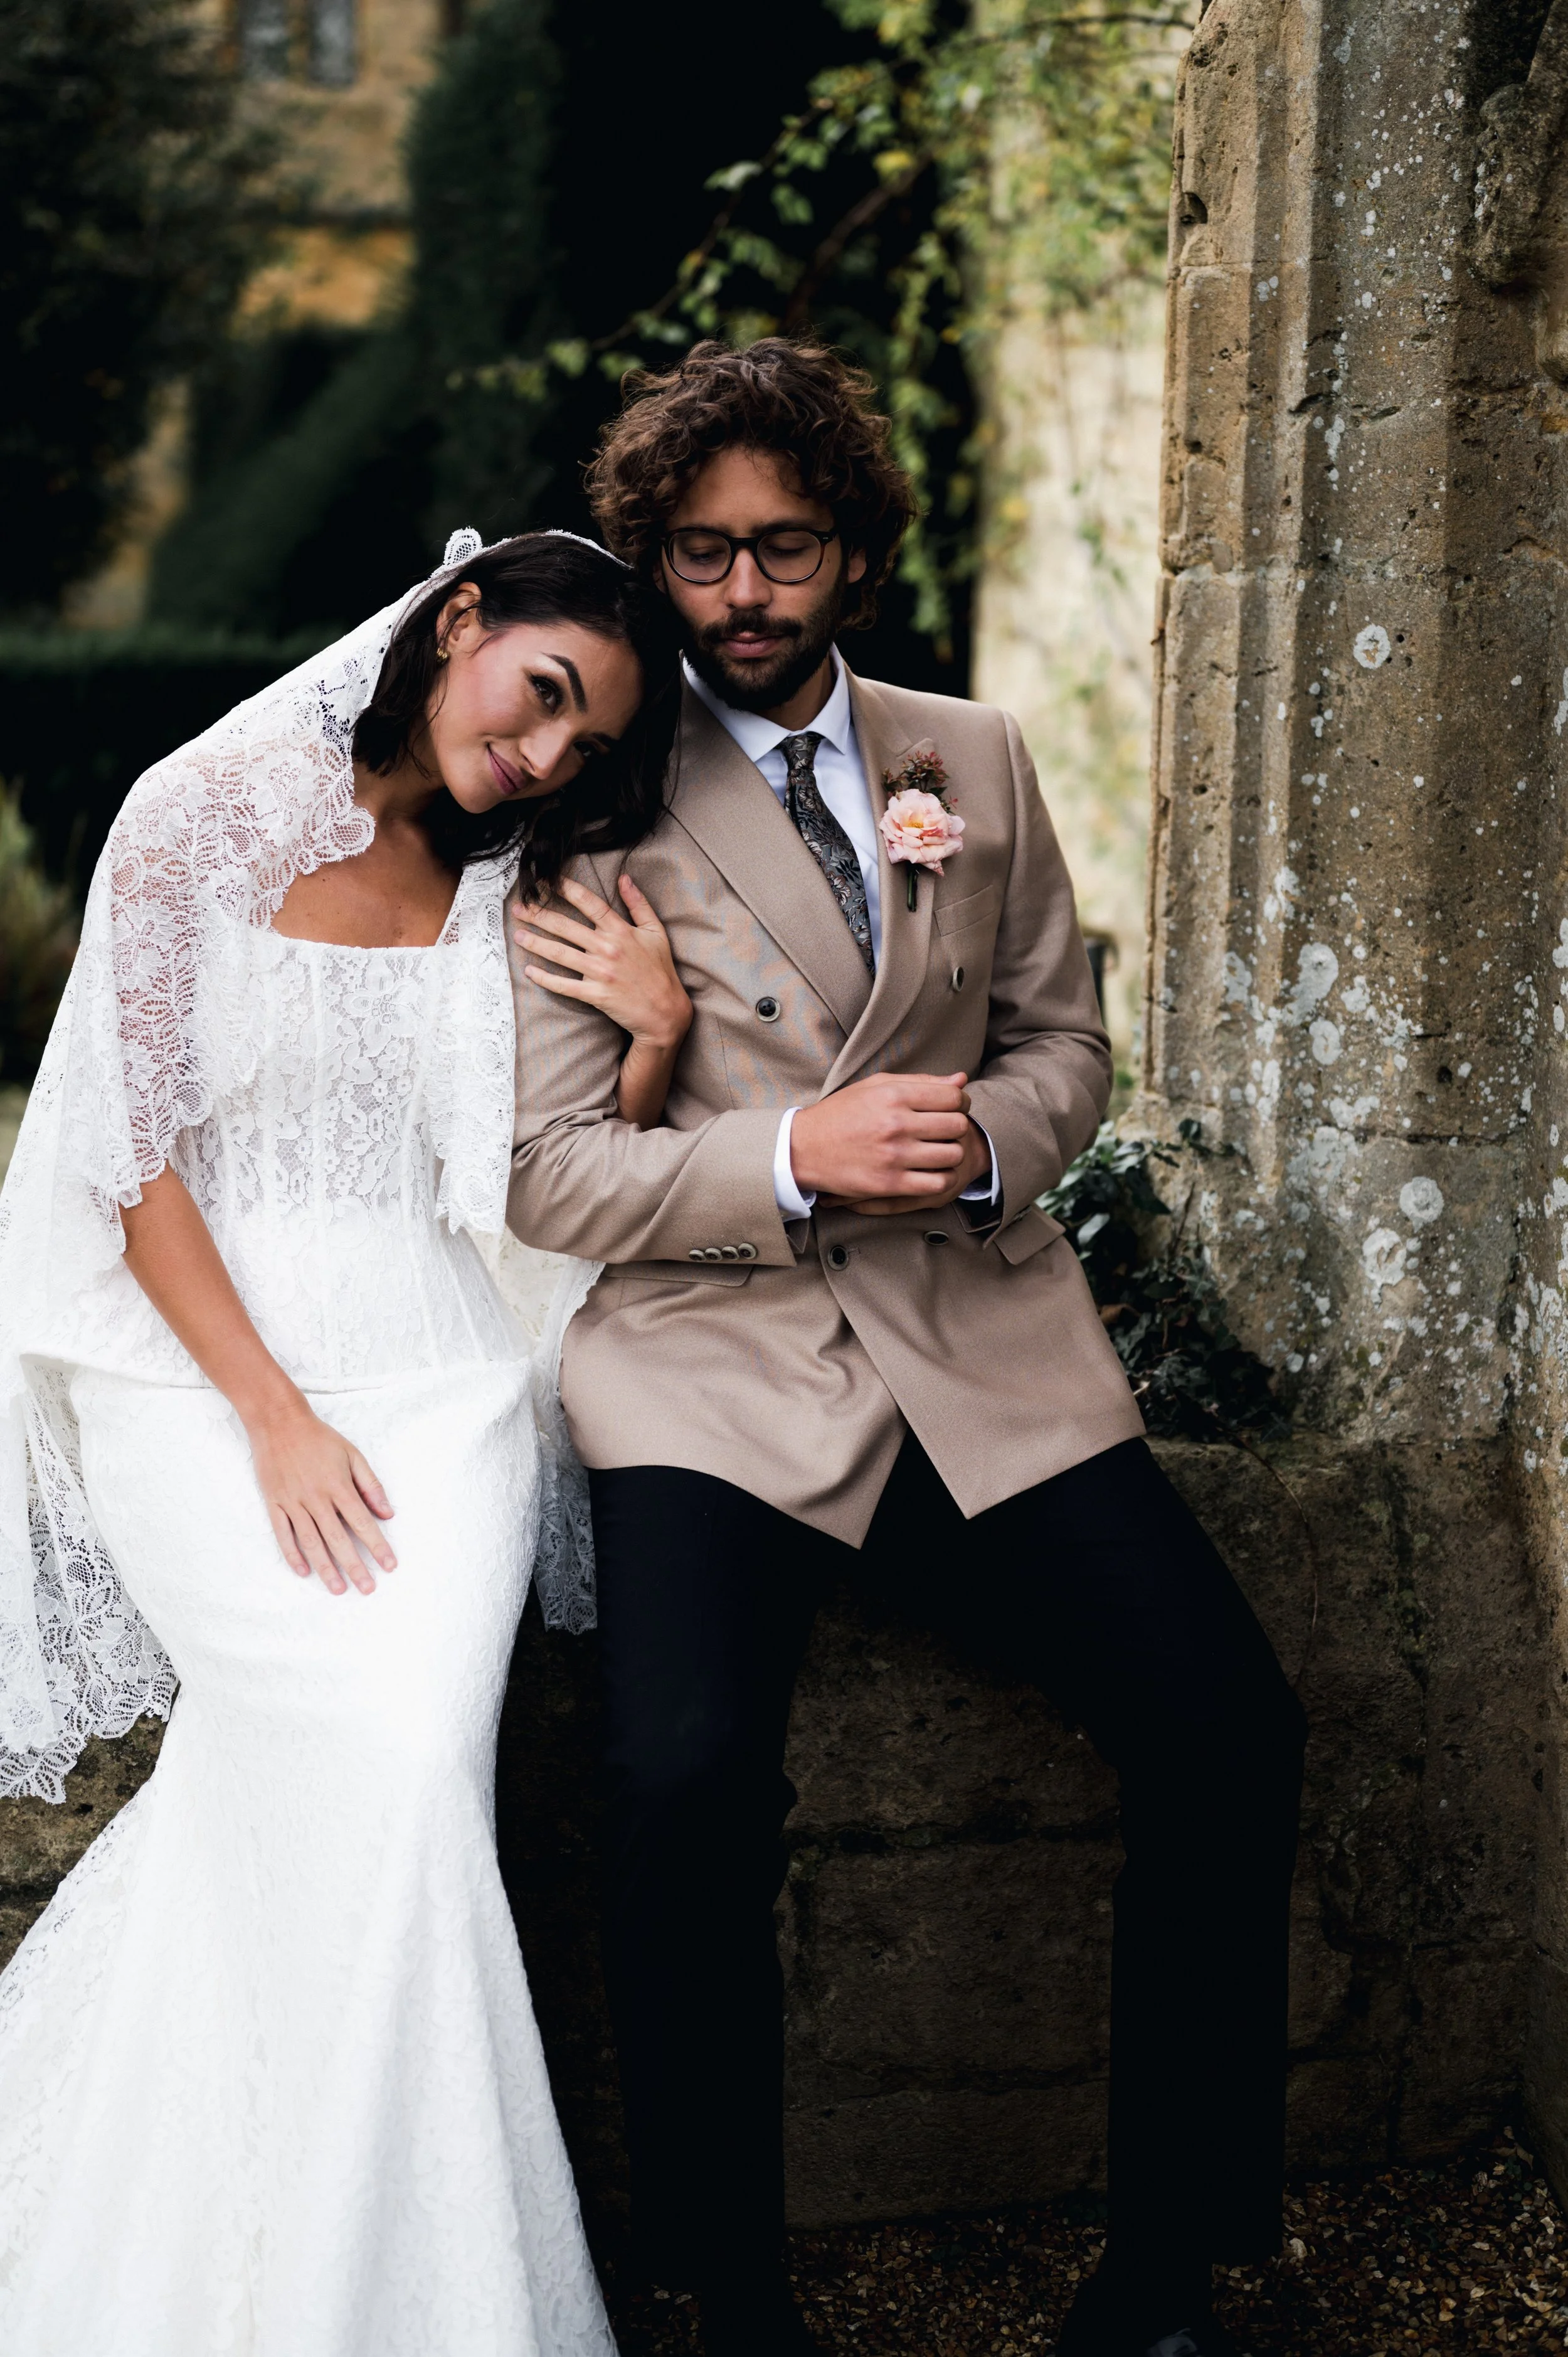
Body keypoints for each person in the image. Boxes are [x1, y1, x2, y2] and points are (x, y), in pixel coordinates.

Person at [505, 341, 1310, 2357]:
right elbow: (547, 1174)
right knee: (681, 1777)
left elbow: (1062, 1041)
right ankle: (728, 2290)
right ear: (651, 564)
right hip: (715, 1366)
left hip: (977, 1340)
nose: (743, 594)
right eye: (698, 556)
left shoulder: (975, 751)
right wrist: (791, 1146)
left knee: (1227, 1721)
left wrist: (979, 1155)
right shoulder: (587, 785)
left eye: (782, 547)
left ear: (856, 548)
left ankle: (1158, 2276)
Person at [0, 528, 694, 2357]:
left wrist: (651, 1036)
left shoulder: (509, 879)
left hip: (443, 1391)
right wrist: (275, 1414)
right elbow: (125, 1153)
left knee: (394, 1789)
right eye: (541, 694)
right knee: (359, 1782)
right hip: (195, 1377)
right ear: (460, 621)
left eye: (585, 743)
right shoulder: (198, 806)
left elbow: (552, 1180)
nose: (545, 757)